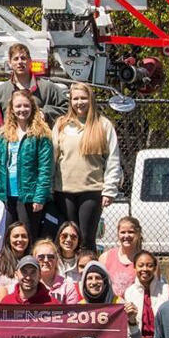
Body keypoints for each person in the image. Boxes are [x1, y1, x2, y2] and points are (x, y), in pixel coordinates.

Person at [52, 83, 121, 251]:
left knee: (85, 238)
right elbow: (52, 158)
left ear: (91, 100)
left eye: (83, 98)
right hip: (64, 191)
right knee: (67, 237)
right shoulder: (61, 124)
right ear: (70, 101)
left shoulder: (103, 125)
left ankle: (88, 273)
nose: (79, 102)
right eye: (75, 99)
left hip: (92, 191)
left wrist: (109, 189)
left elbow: (113, 158)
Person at [0, 90, 53, 240]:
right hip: (7, 195)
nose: (22, 110)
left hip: (29, 196)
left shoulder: (41, 134)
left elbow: (45, 168)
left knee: (27, 237)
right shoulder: (3, 134)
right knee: (7, 238)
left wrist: (39, 197)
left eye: (26, 106)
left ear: (32, 107)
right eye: (18, 106)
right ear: (11, 109)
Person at [0, 43, 68, 120]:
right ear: (10, 63)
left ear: (30, 61)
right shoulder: (0, 92)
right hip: (10, 133)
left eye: (23, 58)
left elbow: (68, 108)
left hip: (40, 133)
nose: (20, 62)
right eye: (16, 59)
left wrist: (46, 112)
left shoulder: (48, 89)